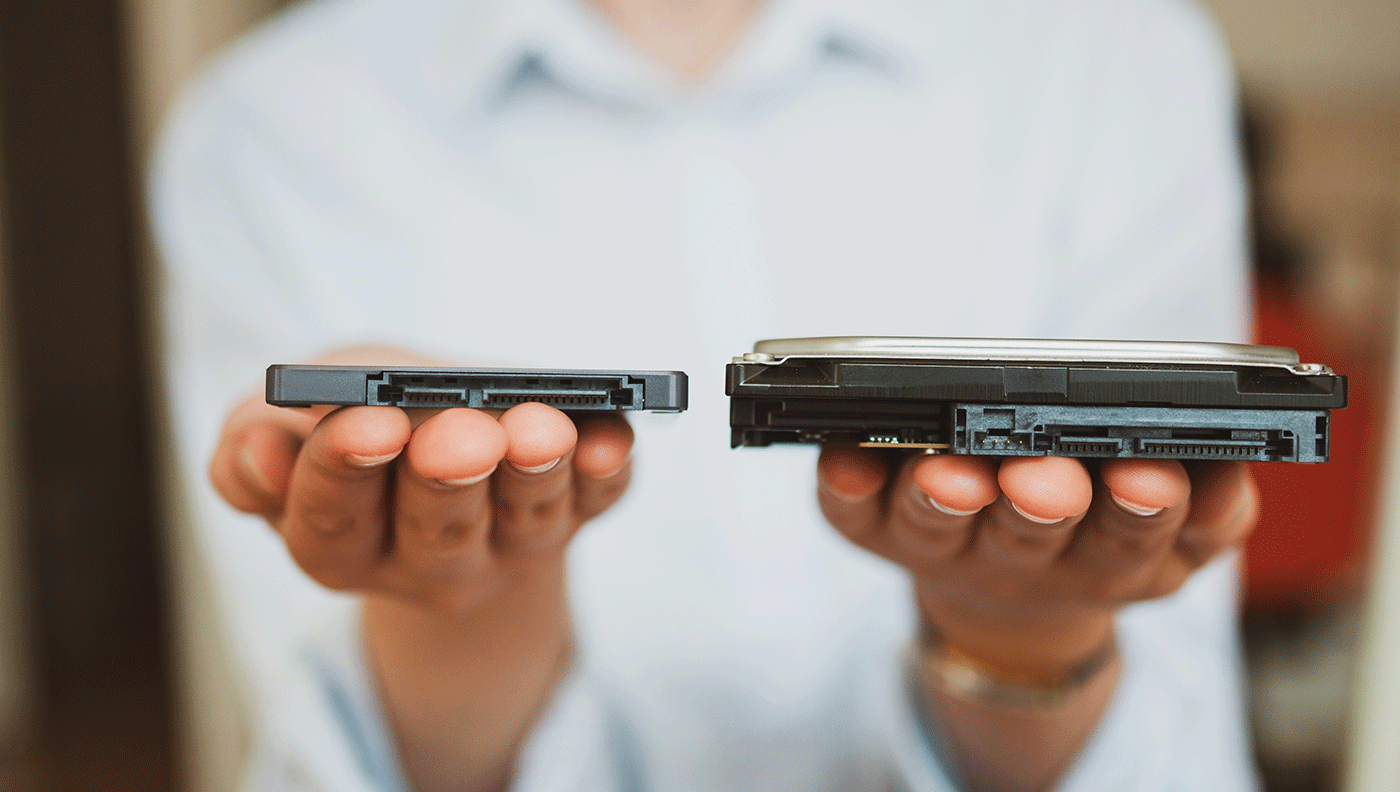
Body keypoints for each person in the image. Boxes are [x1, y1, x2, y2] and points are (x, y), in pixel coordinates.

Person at [151, 0, 1260, 790]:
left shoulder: (1118, 55)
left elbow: (1177, 746)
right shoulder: (266, 135)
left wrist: (1021, 634)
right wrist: (465, 619)